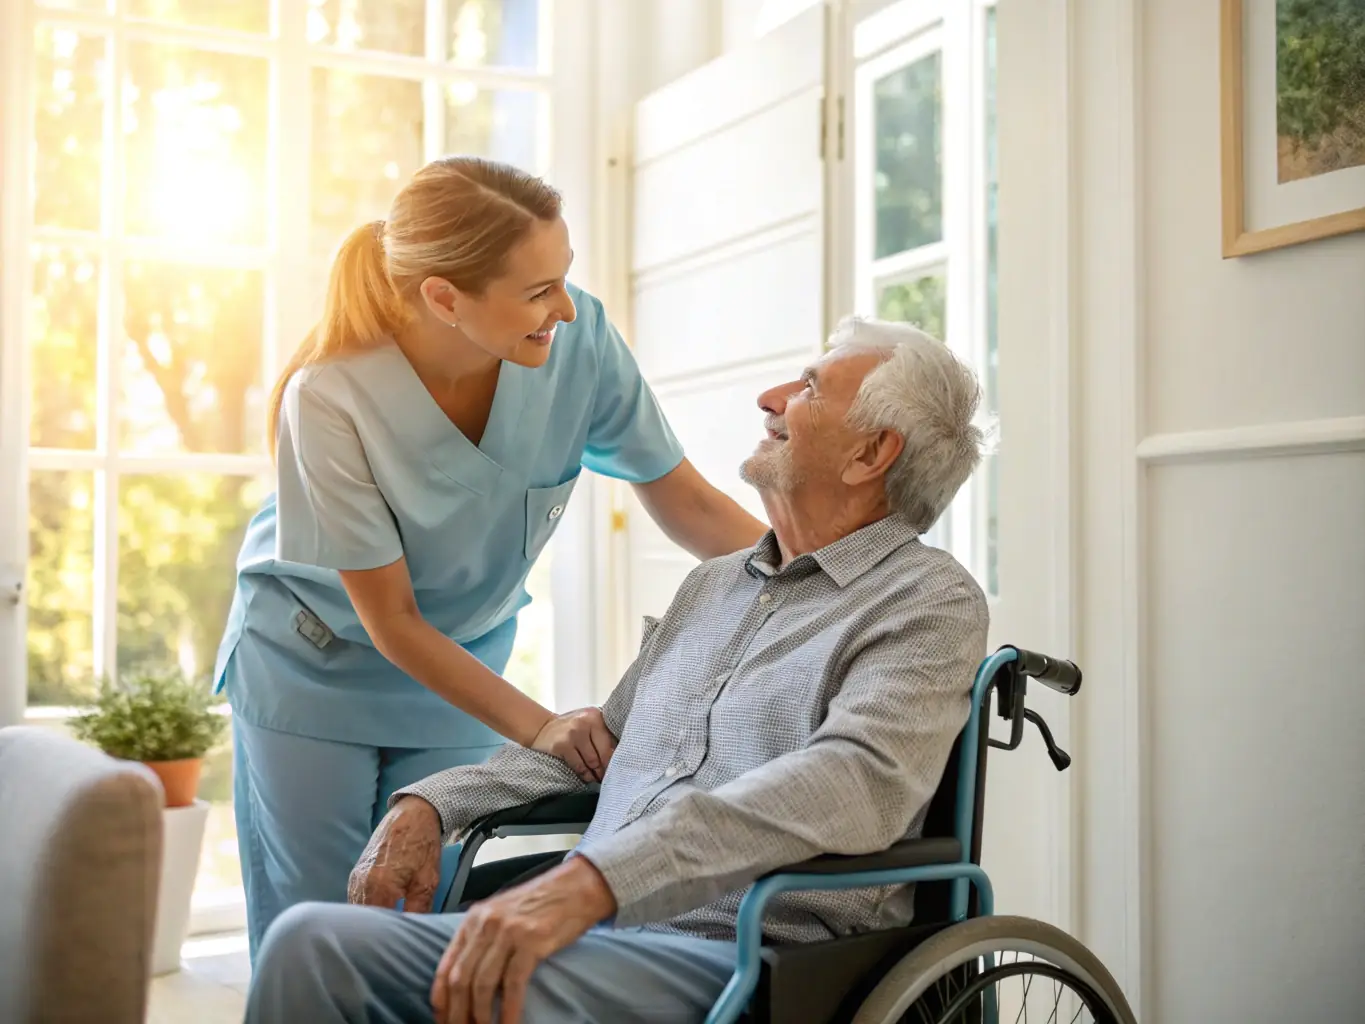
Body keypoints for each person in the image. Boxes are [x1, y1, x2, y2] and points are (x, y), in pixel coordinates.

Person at [244, 316, 992, 1024]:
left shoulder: (925, 600)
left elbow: (851, 783)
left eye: (808, 388)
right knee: (319, 944)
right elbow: (596, 748)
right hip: (602, 931)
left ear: (870, 455)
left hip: (744, 952)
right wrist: (433, 804)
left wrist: (601, 880)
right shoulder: (715, 585)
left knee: (324, 948)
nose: (769, 399)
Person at [212, 156, 769, 960]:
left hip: (460, 661)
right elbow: (393, 619)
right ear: (444, 297)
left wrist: (842, 573)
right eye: (537, 291)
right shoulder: (331, 394)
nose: (565, 308)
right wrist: (541, 726)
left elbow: (684, 500)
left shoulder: (580, 346)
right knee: (320, 928)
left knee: (426, 920)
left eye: (564, 278)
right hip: (312, 661)